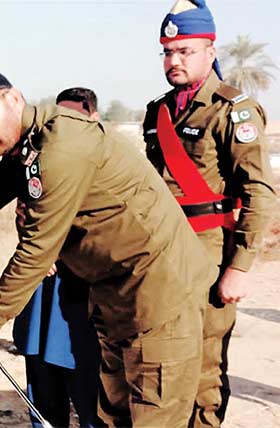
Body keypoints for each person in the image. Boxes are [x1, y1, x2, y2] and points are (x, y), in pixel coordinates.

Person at [0, 71, 218, 427]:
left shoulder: (62, 145)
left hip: (159, 289)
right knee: (116, 412)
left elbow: (37, 249)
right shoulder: (29, 147)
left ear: (14, 99)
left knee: (154, 413)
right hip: (115, 292)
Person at [144, 1, 276, 426]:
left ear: (210, 52)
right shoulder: (157, 111)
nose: (174, 60)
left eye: (185, 51)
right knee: (161, 360)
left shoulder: (232, 110)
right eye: (168, 52)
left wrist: (239, 267)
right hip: (160, 255)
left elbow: (260, 191)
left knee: (203, 365)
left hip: (208, 253)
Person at [11, 87, 101, 428]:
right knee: (42, 384)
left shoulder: (102, 160)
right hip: (45, 286)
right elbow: (25, 210)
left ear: (92, 118)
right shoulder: (37, 159)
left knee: (87, 386)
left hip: (85, 290)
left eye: (74, 118)